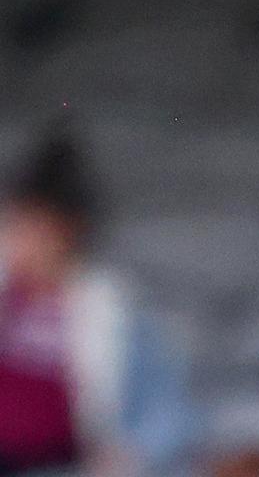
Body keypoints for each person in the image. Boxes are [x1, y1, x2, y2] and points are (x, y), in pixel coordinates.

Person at [0, 131, 194, 476]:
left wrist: (128, 457)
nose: (20, 239)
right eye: (15, 223)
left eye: (35, 227)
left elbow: (169, 414)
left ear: (68, 230)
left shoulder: (110, 316)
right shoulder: (7, 296)